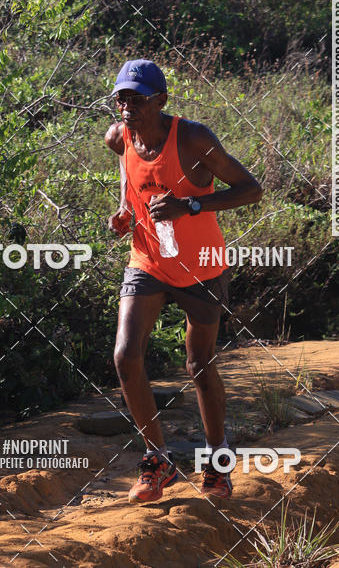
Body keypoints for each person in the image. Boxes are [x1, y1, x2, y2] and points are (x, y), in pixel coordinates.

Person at [105, 58, 263, 504]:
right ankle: (157, 460)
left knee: (200, 364)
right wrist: (125, 211)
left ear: (160, 100)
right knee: (125, 356)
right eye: (121, 99)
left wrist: (190, 206)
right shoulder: (119, 137)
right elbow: (130, 175)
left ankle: (217, 463)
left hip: (202, 268)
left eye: (137, 99)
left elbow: (251, 190)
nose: (127, 107)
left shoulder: (193, 138)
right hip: (148, 262)